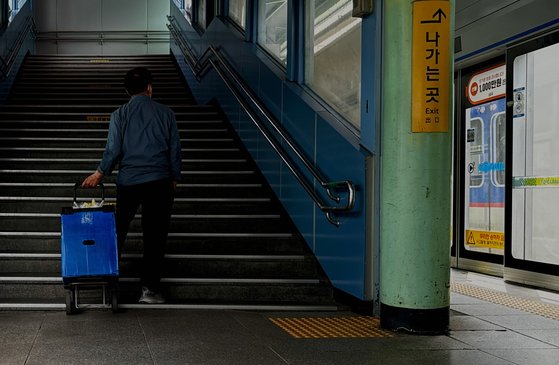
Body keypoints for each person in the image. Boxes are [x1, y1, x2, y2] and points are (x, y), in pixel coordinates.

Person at [82, 67, 182, 304]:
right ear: (149, 87)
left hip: (128, 183)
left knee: (117, 232)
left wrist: (100, 173)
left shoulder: (120, 114)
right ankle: (149, 290)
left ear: (127, 90)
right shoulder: (166, 113)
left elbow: (113, 149)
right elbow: (175, 149)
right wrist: (174, 177)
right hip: (159, 182)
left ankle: (109, 283)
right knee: (155, 236)